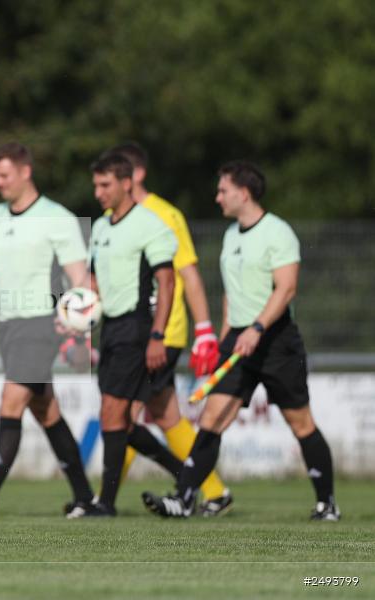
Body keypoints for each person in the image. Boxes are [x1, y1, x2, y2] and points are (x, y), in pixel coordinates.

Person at [142, 161, 340, 520]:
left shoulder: (278, 233)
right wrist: (224, 339)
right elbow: (231, 295)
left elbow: (286, 288)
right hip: (238, 340)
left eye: (223, 191)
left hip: (276, 340)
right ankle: (184, 499)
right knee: (212, 418)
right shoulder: (231, 235)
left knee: (301, 423)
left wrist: (258, 329)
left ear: (243, 193)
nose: (217, 197)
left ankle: (327, 504)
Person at [0, 142, 95, 518]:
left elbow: (80, 278)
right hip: (9, 327)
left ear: (26, 172)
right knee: (46, 412)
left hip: (43, 325)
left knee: (10, 403)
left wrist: (80, 328)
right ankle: (87, 499)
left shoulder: (57, 218)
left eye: (5, 175)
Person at [103, 142, 232, 517]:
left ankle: (104, 498)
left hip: (163, 332)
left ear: (134, 175)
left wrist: (204, 328)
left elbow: (187, 273)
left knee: (123, 413)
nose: (104, 190)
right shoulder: (114, 220)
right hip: (131, 331)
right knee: (162, 416)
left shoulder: (163, 215)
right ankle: (211, 489)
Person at [87, 153, 177, 517]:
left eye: (105, 184)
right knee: (120, 420)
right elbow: (93, 283)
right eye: (96, 185)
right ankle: (186, 474)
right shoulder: (101, 227)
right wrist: (78, 318)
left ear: (127, 183)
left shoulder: (150, 225)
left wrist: (158, 335)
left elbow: (167, 282)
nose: (99, 192)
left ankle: (105, 503)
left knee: (111, 412)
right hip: (110, 328)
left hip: (138, 327)